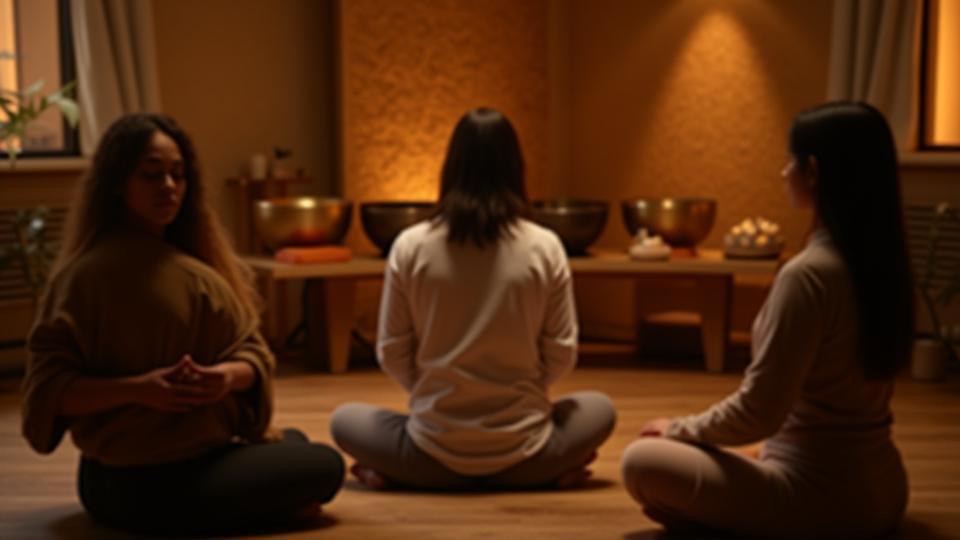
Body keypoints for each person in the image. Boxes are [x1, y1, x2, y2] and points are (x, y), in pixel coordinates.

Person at [21, 113, 344, 535]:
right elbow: (47, 391)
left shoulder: (189, 272)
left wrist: (224, 378)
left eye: (178, 175)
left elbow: (251, 355)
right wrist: (141, 390)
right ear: (118, 184)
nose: (169, 188)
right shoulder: (82, 279)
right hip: (157, 481)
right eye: (152, 176)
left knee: (294, 441)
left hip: (100, 485)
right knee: (326, 466)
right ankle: (262, 508)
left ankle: (259, 501)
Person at [620, 101, 915, 539]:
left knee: (641, 461)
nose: (783, 173)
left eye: (790, 160)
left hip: (818, 499)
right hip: (886, 492)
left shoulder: (809, 274)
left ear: (812, 170)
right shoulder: (883, 264)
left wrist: (677, 429)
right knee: (728, 454)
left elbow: (759, 411)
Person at [331, 107, 616, 490]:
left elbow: (392, 350)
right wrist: (525, 393)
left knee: (344, 419)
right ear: (515, 167)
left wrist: (434, 394)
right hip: (526, 445)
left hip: (432, 446)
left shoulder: (410, 245)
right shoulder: (545, 246)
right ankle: (543, 469)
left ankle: (408, 472)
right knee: (599, 409)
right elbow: (562, 352)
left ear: (451, 167)